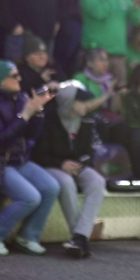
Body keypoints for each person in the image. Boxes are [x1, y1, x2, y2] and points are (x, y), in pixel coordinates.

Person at [0, 59, 58, 256]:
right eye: (13, 76)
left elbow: (32, 135)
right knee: (30, 197)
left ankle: (28, 236)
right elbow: (0, 139)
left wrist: (37, 112)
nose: (19, 78)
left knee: (51, 187)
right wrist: (24, 116)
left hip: (19, 160)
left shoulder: (18, 97)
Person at [31, 81, 107, 259]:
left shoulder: (86, 122)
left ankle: (79, 237)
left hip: (76, 166)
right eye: (81, 101)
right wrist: (61, 164)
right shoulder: (49, 121)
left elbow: (87, 152)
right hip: (52, 166)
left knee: (97, 181)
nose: (86, 105)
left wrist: (80, 162)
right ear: (69, 102)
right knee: (65, 182)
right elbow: (39, 155)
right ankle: (79, 237)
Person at [79, 0, 140, 87]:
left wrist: (136, 5)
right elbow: (99, 13)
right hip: (96, 55)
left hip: (119, 56)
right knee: (95, 93)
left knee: (119, 97)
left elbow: (136, 20)